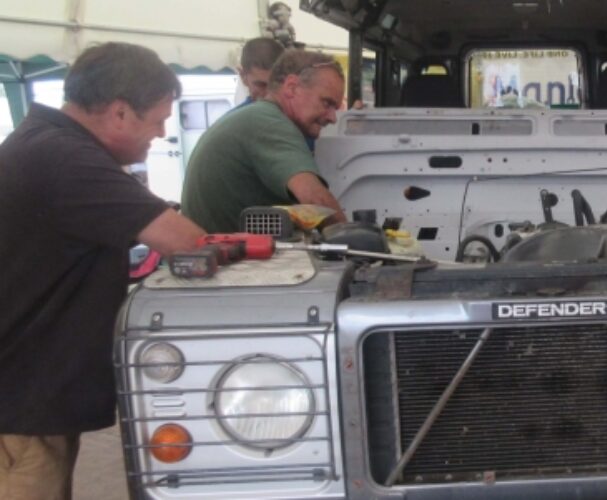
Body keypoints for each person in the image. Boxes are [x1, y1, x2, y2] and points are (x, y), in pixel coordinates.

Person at [0, 42, 205, 499]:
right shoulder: (66, 159)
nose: (160, 133)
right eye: (157, 120)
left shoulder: (45, 142)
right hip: (17, 409)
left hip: (26, 395)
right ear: (118, 113)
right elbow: (186, 241)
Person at [181, 50, 348, 233]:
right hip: (227, 254)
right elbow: (316, 201)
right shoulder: (269, 122)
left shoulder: (259, 116)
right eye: (326, 103)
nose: (333, 117)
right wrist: (356, 242)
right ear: (291, 87)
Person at [236, 37, 285, 107]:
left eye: (276, 85)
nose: (269, 95)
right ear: (243, 76)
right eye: (261, 85)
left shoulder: (299, 115)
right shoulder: (238, 117)